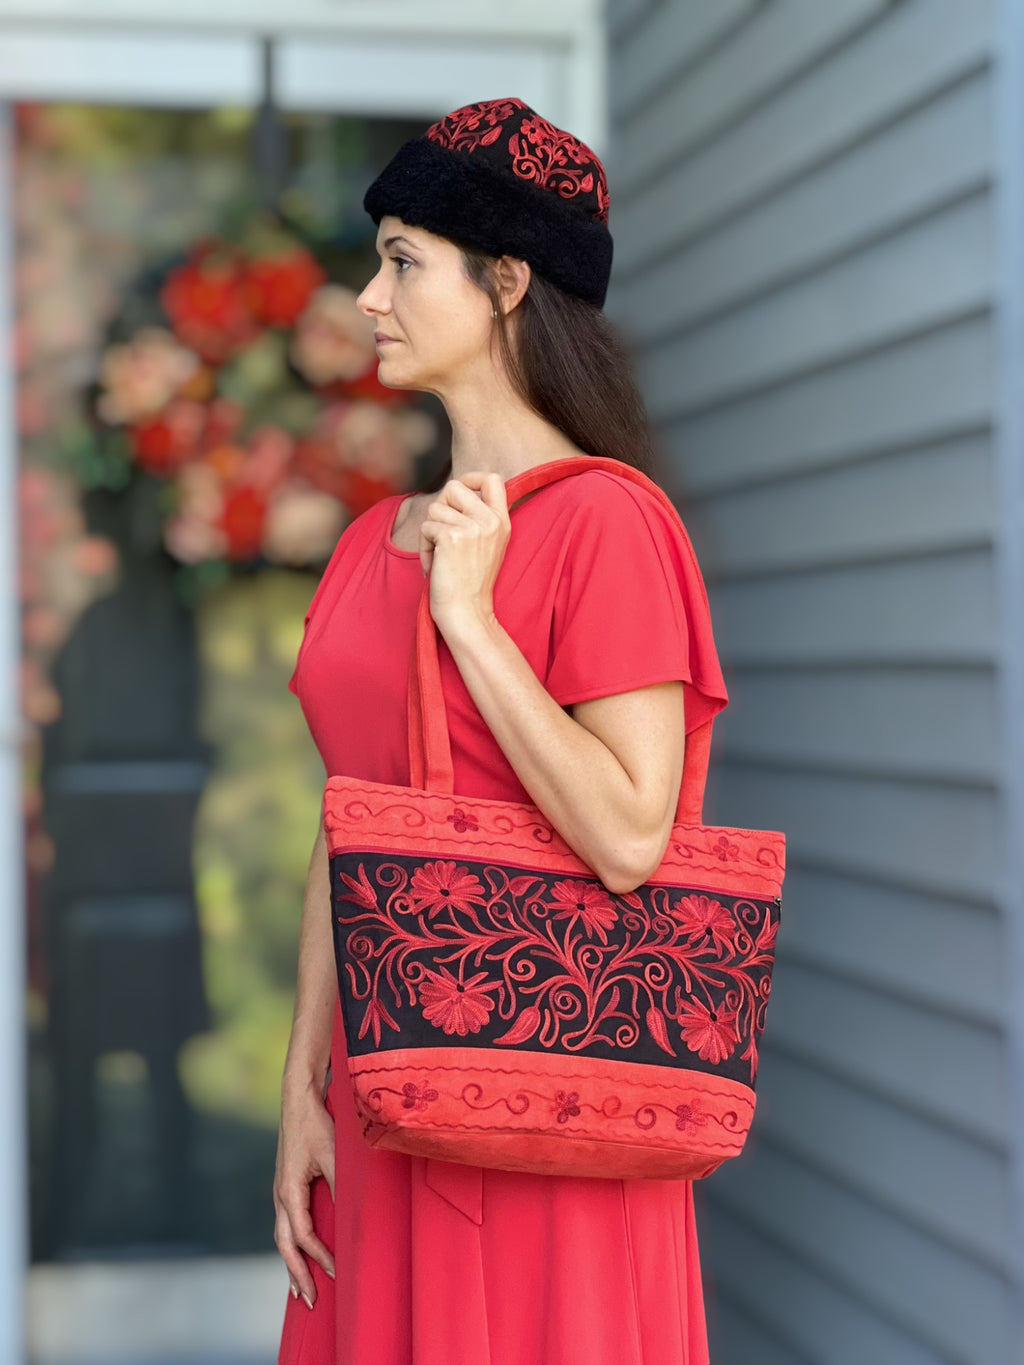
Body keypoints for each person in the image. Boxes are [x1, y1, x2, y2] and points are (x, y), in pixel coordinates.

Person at [274, 96, 729, 1365]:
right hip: (381, 1094)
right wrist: (303, 1085)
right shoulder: (375, 540)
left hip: (548, 1109)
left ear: (509, 282)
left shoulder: (607, 525)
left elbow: (633, 833)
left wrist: (471, 622)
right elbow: (346, 816)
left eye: (404, 261)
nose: (369, 295)